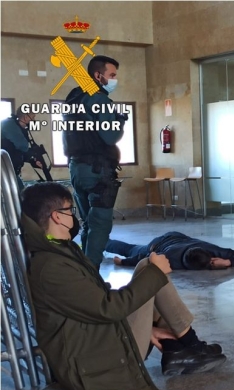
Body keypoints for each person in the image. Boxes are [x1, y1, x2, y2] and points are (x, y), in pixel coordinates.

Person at [21, 182, 226, 390]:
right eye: (70, 210)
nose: (74, 216)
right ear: (57, 217)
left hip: (95, 345)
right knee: (150, 270)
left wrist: (148, 328)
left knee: (148, 270)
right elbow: (108, 309)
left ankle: (180, 348)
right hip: (94, 368)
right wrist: (155, 274)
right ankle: (188, 346)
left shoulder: (59, 251)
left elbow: (91, 306)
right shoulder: (51, 266)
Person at [63, 55, 127, 270]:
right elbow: (110, 137)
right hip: (97, 171)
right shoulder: (99, 100)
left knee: (88, 223)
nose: (115, 79)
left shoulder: (74, 97)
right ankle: (90, 275)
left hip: (77, 168)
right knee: (100, 224)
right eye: (112, 75)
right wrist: (120, 121)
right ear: (98, 76)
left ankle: (82, 269)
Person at [106, 231, 234, 270]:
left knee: (132, 249)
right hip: (158, 244)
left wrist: (228, 261)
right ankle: (103, 242)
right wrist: (122, 262)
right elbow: (146, 257)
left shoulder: (211, 250)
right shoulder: (169, 258)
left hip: (178, 236)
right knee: (130, 249)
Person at [1, 105, 41, 190]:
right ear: (26, 117)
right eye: (33, 117)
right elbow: (22, 146)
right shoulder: (9, 125)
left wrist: (32, 160)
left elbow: (17, 151)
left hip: (10, 171)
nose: (33, 120)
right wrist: (33, 155)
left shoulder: (15, 126)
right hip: (5, 171)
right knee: (20, 195)